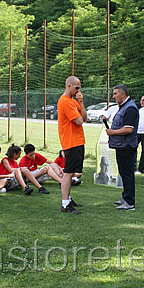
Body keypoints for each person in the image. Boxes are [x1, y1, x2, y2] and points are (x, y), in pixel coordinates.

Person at [106, 84, 139, 211]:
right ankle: (125, 197)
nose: (113, 96)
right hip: (121, 146)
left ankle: (130, 202)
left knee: (127, 173)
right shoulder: (124, 107)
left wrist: (112, 132)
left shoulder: (130, 108)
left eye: (115, 94)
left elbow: (129, 129)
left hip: (127, 146)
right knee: (124, 173)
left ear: (123, 94)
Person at [57, 76, 86, 214]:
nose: (78, 90)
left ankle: (68, 198)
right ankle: (65, 204)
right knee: (68, 173)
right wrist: (79, 114)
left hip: (78, 140)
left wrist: (81, 102)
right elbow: (79, 121)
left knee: (73, 172)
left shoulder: (73, 101)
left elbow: (84, 118)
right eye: (77, 87)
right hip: (71, 141)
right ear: (69, 86)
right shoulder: (65, 102)